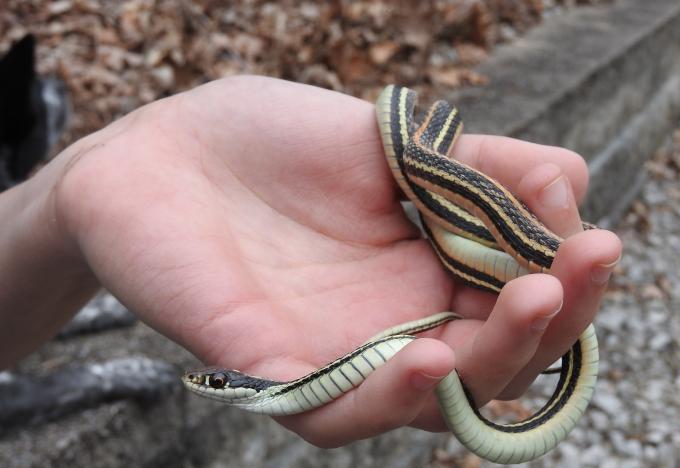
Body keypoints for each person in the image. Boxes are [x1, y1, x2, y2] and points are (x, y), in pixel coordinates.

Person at [0, 76, 621, 448]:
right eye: (212, 379)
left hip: (428, 174)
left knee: (547, 259)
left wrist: (88, 181)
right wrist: (86, 185)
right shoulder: (282, 386)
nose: (204, 382)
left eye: (213, 379)